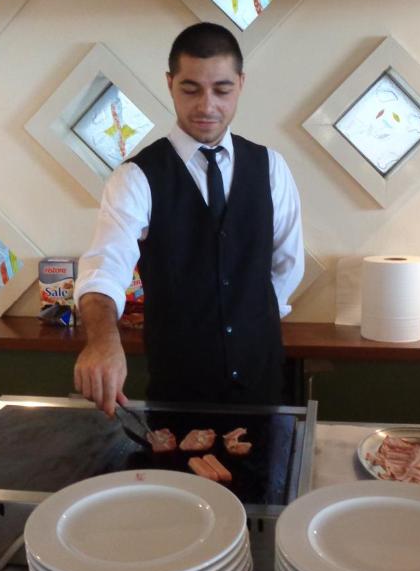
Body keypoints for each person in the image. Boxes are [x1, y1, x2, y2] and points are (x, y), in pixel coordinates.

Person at [73, 22, 304, 416]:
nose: (207, 106)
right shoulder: (136, 178)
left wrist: (252, 323)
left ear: (241, 84)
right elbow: (104, 267)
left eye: (222, 90)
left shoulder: (271, 168)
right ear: (169, 83)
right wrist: (102, 339)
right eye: (191, 89)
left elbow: (287, 265)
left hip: (261, 385)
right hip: (177, 391)